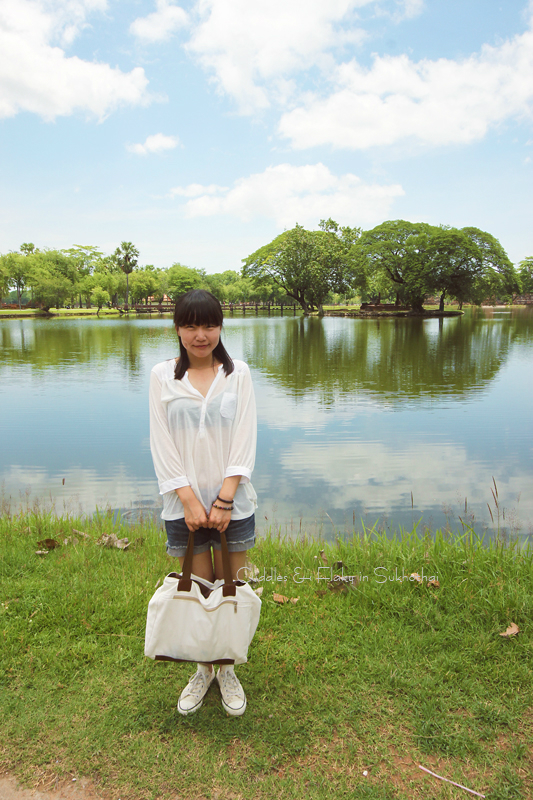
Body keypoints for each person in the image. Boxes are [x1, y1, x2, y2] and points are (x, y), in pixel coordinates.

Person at [149, 289, 257, 717]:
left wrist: (225, 499)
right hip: (184, 506)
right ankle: (202, 670)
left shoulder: (238, 374)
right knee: (197, 588)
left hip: (234, 502)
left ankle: (226, 669)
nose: (201, 335)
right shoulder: (162, 376)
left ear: (220, 327)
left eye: (209, 325)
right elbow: (161, 443)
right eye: (191, 325)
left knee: (232, 588)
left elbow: (245, 438)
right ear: (177, 328)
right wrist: (189, 501)